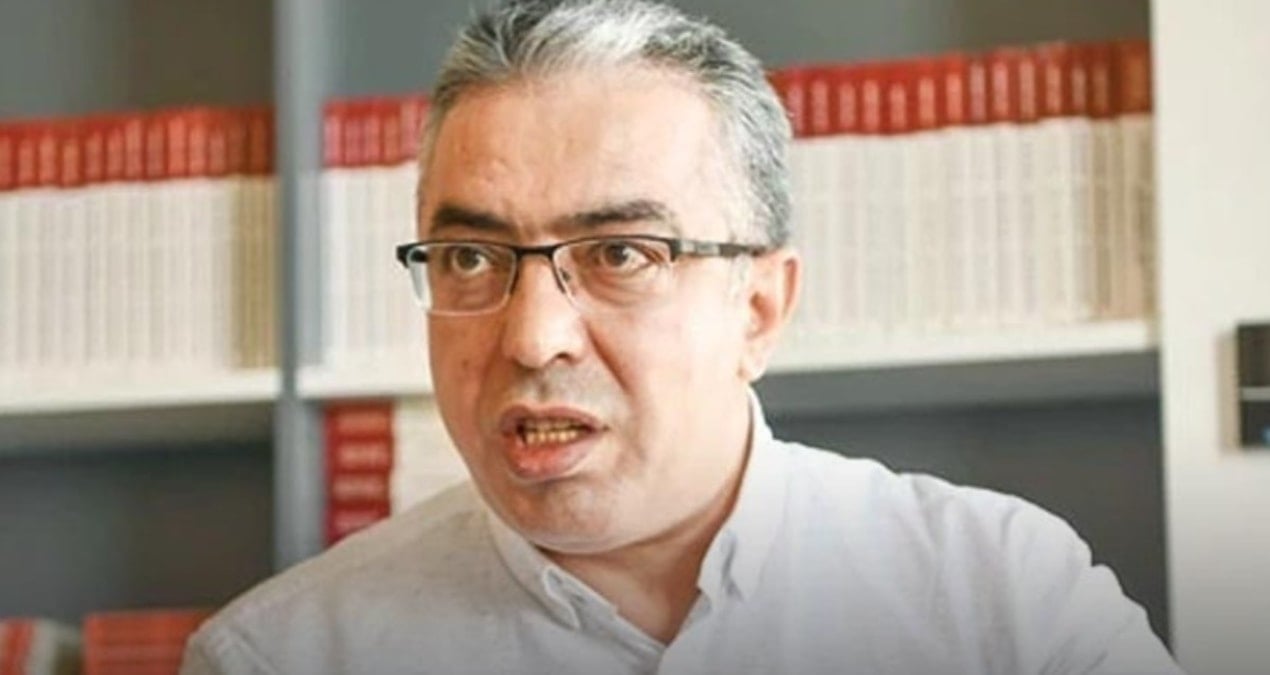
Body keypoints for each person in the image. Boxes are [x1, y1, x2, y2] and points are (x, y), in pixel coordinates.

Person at [182, 1, 1184, 673]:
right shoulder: (281, 657)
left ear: (760, 308)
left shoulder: (1002, 599)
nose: (532, 339)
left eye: (620, 254)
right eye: (473, 259)